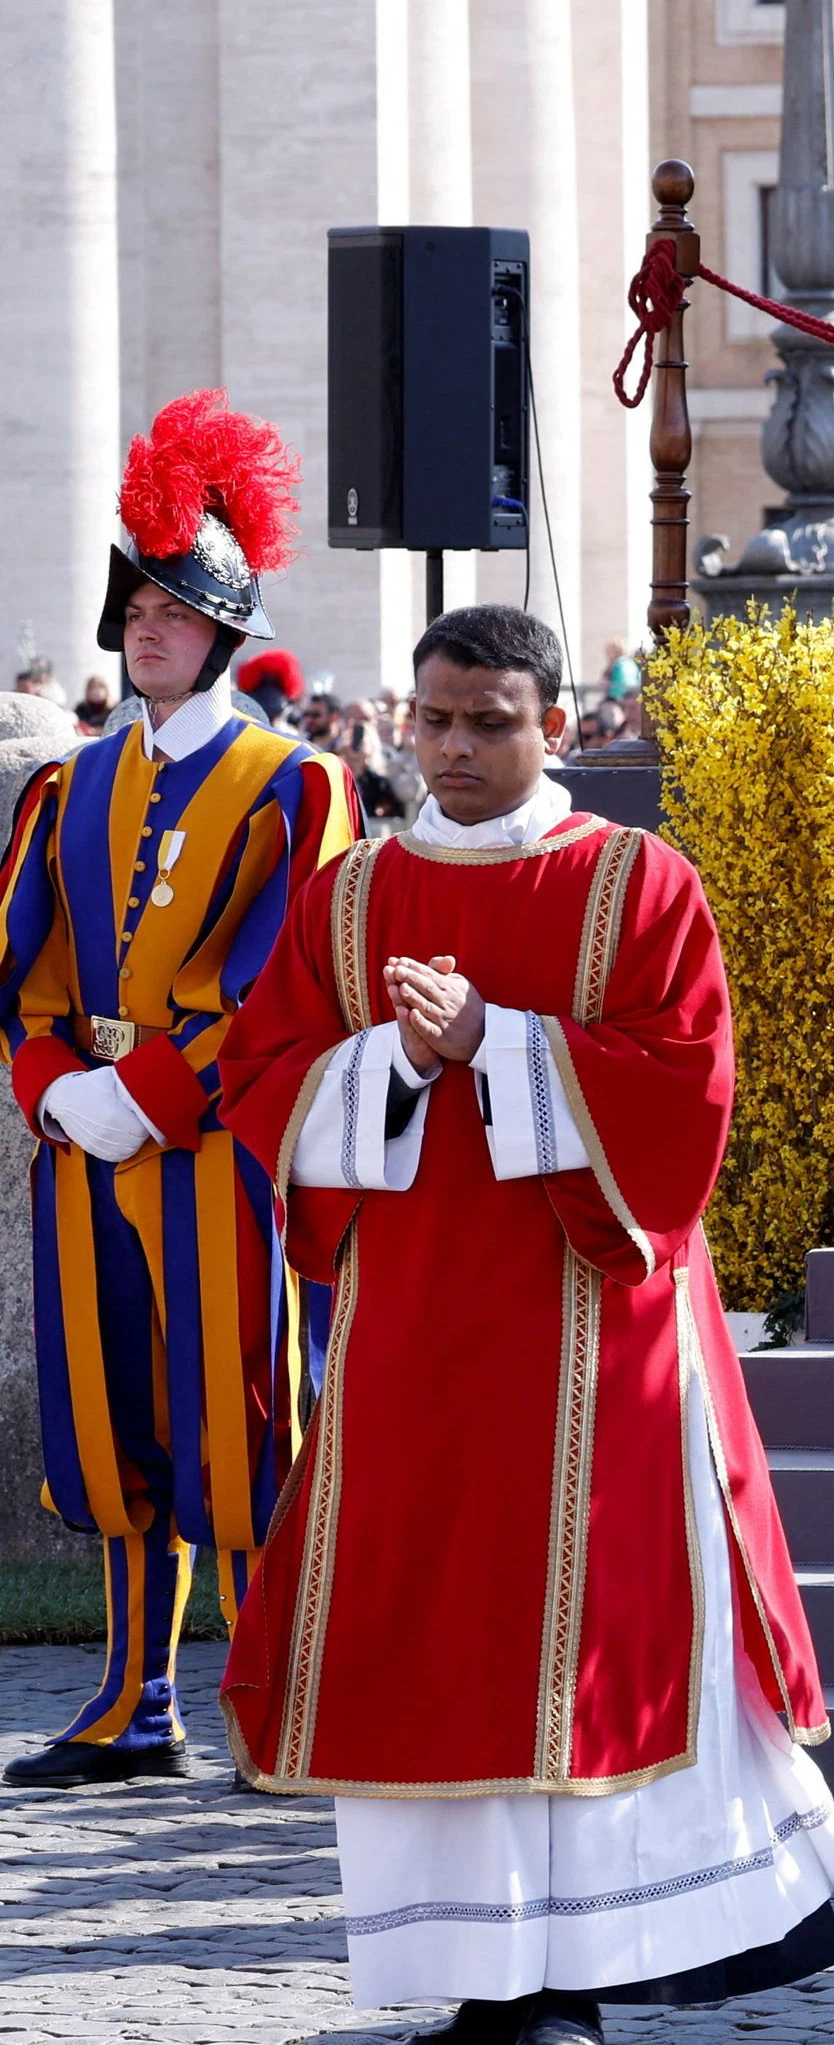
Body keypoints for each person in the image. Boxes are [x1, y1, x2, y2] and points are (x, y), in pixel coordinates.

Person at [218, 603, 834, 2045]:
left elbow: (685, 1093)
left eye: (489, 721)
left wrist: (494, 1044)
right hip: (409, 1339)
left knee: (588, 1636)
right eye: (434, 720)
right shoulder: (348, 896)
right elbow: (263, 1077)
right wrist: (393, 1059)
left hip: (597, 1332)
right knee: (427, 1630)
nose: (454, 748)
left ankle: (579, 1971)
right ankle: (473, 1970)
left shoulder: (639, 882)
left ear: (554, 725)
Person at [0, 391, 352, 1789]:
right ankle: (131, 1702)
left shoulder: (295, 784)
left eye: (173, 605)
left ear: (223, 622)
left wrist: (148, 1089)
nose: (148, 625)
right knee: (112, 1421)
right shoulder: (65, 787)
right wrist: (53, 1090)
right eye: (134, 605)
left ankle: (275, 1700)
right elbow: (20, 971)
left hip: (215, 1146)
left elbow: (291, 984)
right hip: (82, 1139)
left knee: (241, 1418)